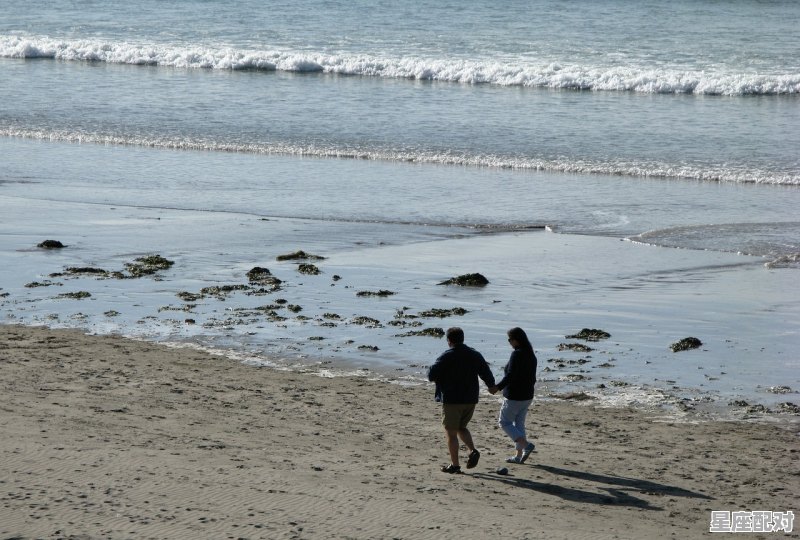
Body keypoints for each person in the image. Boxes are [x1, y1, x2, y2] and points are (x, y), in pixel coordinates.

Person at [427, 327, 496, 474]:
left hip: (452, 399)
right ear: (463, 339)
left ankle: (455, 465)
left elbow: (431, 374)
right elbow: (486, 372)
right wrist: (491, 386)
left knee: (451, 433)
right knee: (461, 427)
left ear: (449, 341)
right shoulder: (475, 354)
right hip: (470, 399)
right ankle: (472, 450)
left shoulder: (447, 356)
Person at [490, 327, 537, 464]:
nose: (509, 342)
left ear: (516, 340)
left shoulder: (517, 354)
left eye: (510, 339)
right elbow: (531, 377)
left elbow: (511, 375)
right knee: (519, 424)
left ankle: (526, 445)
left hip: (515, 396)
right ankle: (518, 455)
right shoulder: (530, 354)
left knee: (504, 422)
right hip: (527, 395)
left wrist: (497, 387)